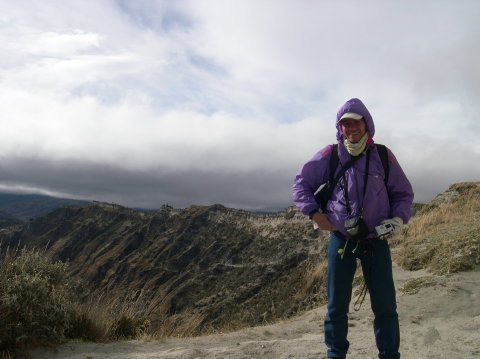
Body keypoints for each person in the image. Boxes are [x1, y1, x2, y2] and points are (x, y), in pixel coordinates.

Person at [292, 98, 413, 359]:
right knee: (336, 307)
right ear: (340, 127)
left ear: (366, 123)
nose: (351, 128)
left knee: (385, 307)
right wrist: (315, 213)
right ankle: (335, 355)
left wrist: (398, 219)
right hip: (341, 239)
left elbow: (403, 193)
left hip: (375, 240)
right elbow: (301, 184)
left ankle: (389, 355)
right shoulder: (330, 154)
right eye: (345, 123)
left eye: (355, 122)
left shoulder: (382, 155)